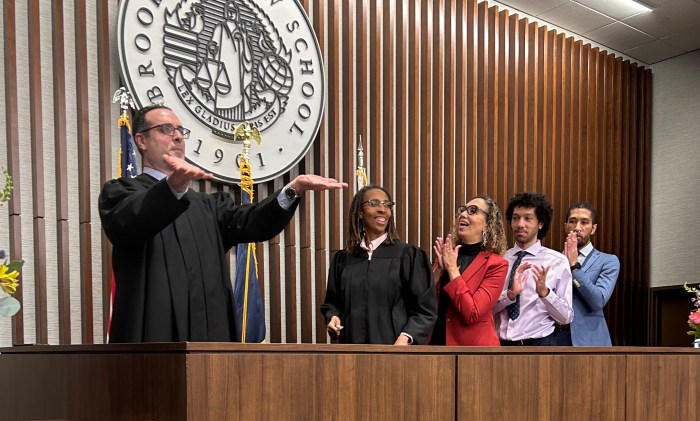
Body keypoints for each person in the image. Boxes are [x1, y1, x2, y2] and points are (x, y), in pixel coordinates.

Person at [99, 104, 346, 343]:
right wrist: (172, 187)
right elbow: (132, 222)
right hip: (153, 334)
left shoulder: (208, 206)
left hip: (209, 337)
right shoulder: (121, 193)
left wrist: (294, 189)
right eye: (166, 129)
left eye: (180, 131)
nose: (177, 137)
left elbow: (254, 221)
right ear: (141, 141)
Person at [321, 185, 437, 345]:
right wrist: (332, 317)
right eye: (374, 203)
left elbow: (425, 310)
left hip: (394, 353)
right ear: (360, 212)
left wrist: (406, 337)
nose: (383, 209)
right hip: (351, 354)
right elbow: (332, 304)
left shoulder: (407, 255)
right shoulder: (344, 259)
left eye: (387, 205)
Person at [493, 192, 573, 345]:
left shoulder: (557, 262)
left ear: (540, 223)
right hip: (500, 345)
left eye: (528, 218)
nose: (520, 224)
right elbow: (487, 310)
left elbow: (566, 317)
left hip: (540, 345)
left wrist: (546, 294)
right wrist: (509, 295)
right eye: (515, 218)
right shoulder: (500, 260)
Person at [431, 195, 508, 346]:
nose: (463, 214)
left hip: (473, 352)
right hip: (437, 344)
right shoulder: (448, 254)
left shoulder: (496, 264)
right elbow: (425, 303)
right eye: (463, 210)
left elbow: (472, 314)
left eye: (473, 211)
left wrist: (452, 270)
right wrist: (438, 272)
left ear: (488, 224)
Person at [561, 202, 620, 346]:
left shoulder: (608, 261)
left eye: (584, 222)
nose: (577, 228)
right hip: (553, 338)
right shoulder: (553, 259)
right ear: (565, 226)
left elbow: (598, 301)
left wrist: (574, 267)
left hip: (589, 341)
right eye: (572, 221)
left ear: (593, 228)